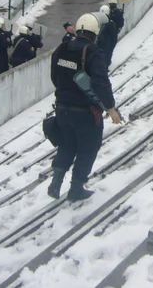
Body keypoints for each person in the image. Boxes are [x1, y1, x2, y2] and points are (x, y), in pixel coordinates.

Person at [49, 12, 121, 201]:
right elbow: (100, 83)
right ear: (95, 33)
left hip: (62, 108)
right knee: (88, 149)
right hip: (85, 113)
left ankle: (56, 182)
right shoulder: (93, 52)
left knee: (66, 144)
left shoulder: (62, 48)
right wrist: (111, 108)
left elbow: (54, 76)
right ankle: (76, 188)